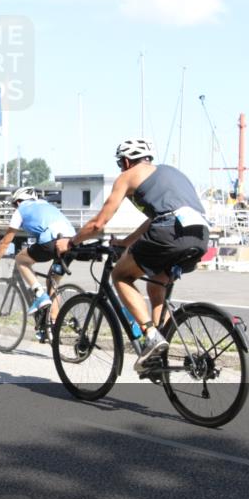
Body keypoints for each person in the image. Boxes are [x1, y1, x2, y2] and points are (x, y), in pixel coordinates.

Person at [56, 138, 209, 372]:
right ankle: (158, 354)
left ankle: (150, 335)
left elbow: (99, 223)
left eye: (120, 164)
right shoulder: (169, 172)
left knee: (120, 276)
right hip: (199, 233)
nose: (121, 168)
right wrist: (126, 243)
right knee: (157, 285)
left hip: (169, 232)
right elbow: (155, 219)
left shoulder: (128, 175)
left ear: (126, 161)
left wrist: (72, 241)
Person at [0, 186, 76, 331]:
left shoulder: (21, 210)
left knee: (21, 259)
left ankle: (39, 294)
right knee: (53, 283)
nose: (14, 207)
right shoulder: (46, 205)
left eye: (14, 204)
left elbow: (5, 242)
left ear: (19, 201)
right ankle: (53, 326)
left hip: (52, 242)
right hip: (71, 242)